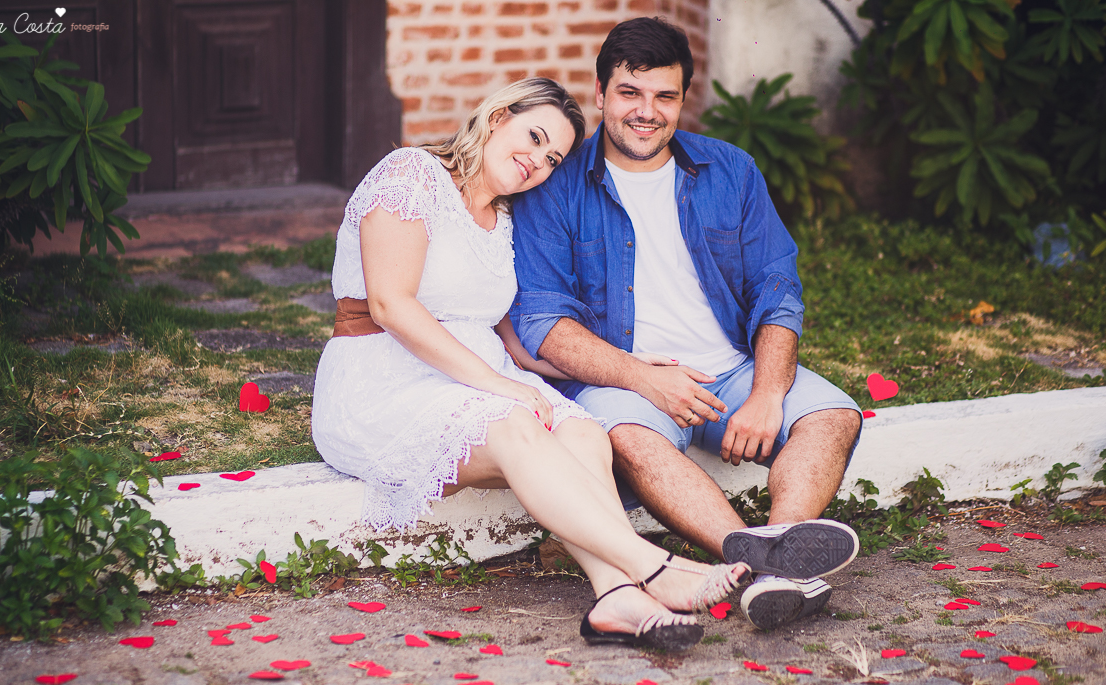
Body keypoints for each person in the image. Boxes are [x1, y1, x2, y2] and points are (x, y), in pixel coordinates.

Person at [312, 77, 758, 651]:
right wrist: (498, 385)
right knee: (516, 424)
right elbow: (391, 306)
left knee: (581, 432)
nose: (538, 164)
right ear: (497, 116)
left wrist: (608, 365)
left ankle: (614, 597)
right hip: (383, 382)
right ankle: (652, 567)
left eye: (553, 159)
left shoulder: (502, 217)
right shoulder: (409, 177)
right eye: (535, 138)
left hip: (472, 378)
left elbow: (507, 336)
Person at [510, 18, 864, 632]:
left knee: (832, 417)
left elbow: (777, 288)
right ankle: (754, 565)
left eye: (664, 96)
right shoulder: (556, 186)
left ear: (683, 99)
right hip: (622, 379)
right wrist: (646, 380)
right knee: (632, 441)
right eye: (629, 93)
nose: (646, 112)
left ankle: (776, 557)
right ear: (600, 93)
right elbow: (544, 323)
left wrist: (768, 391)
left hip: (731, 368)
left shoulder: (730, 171)